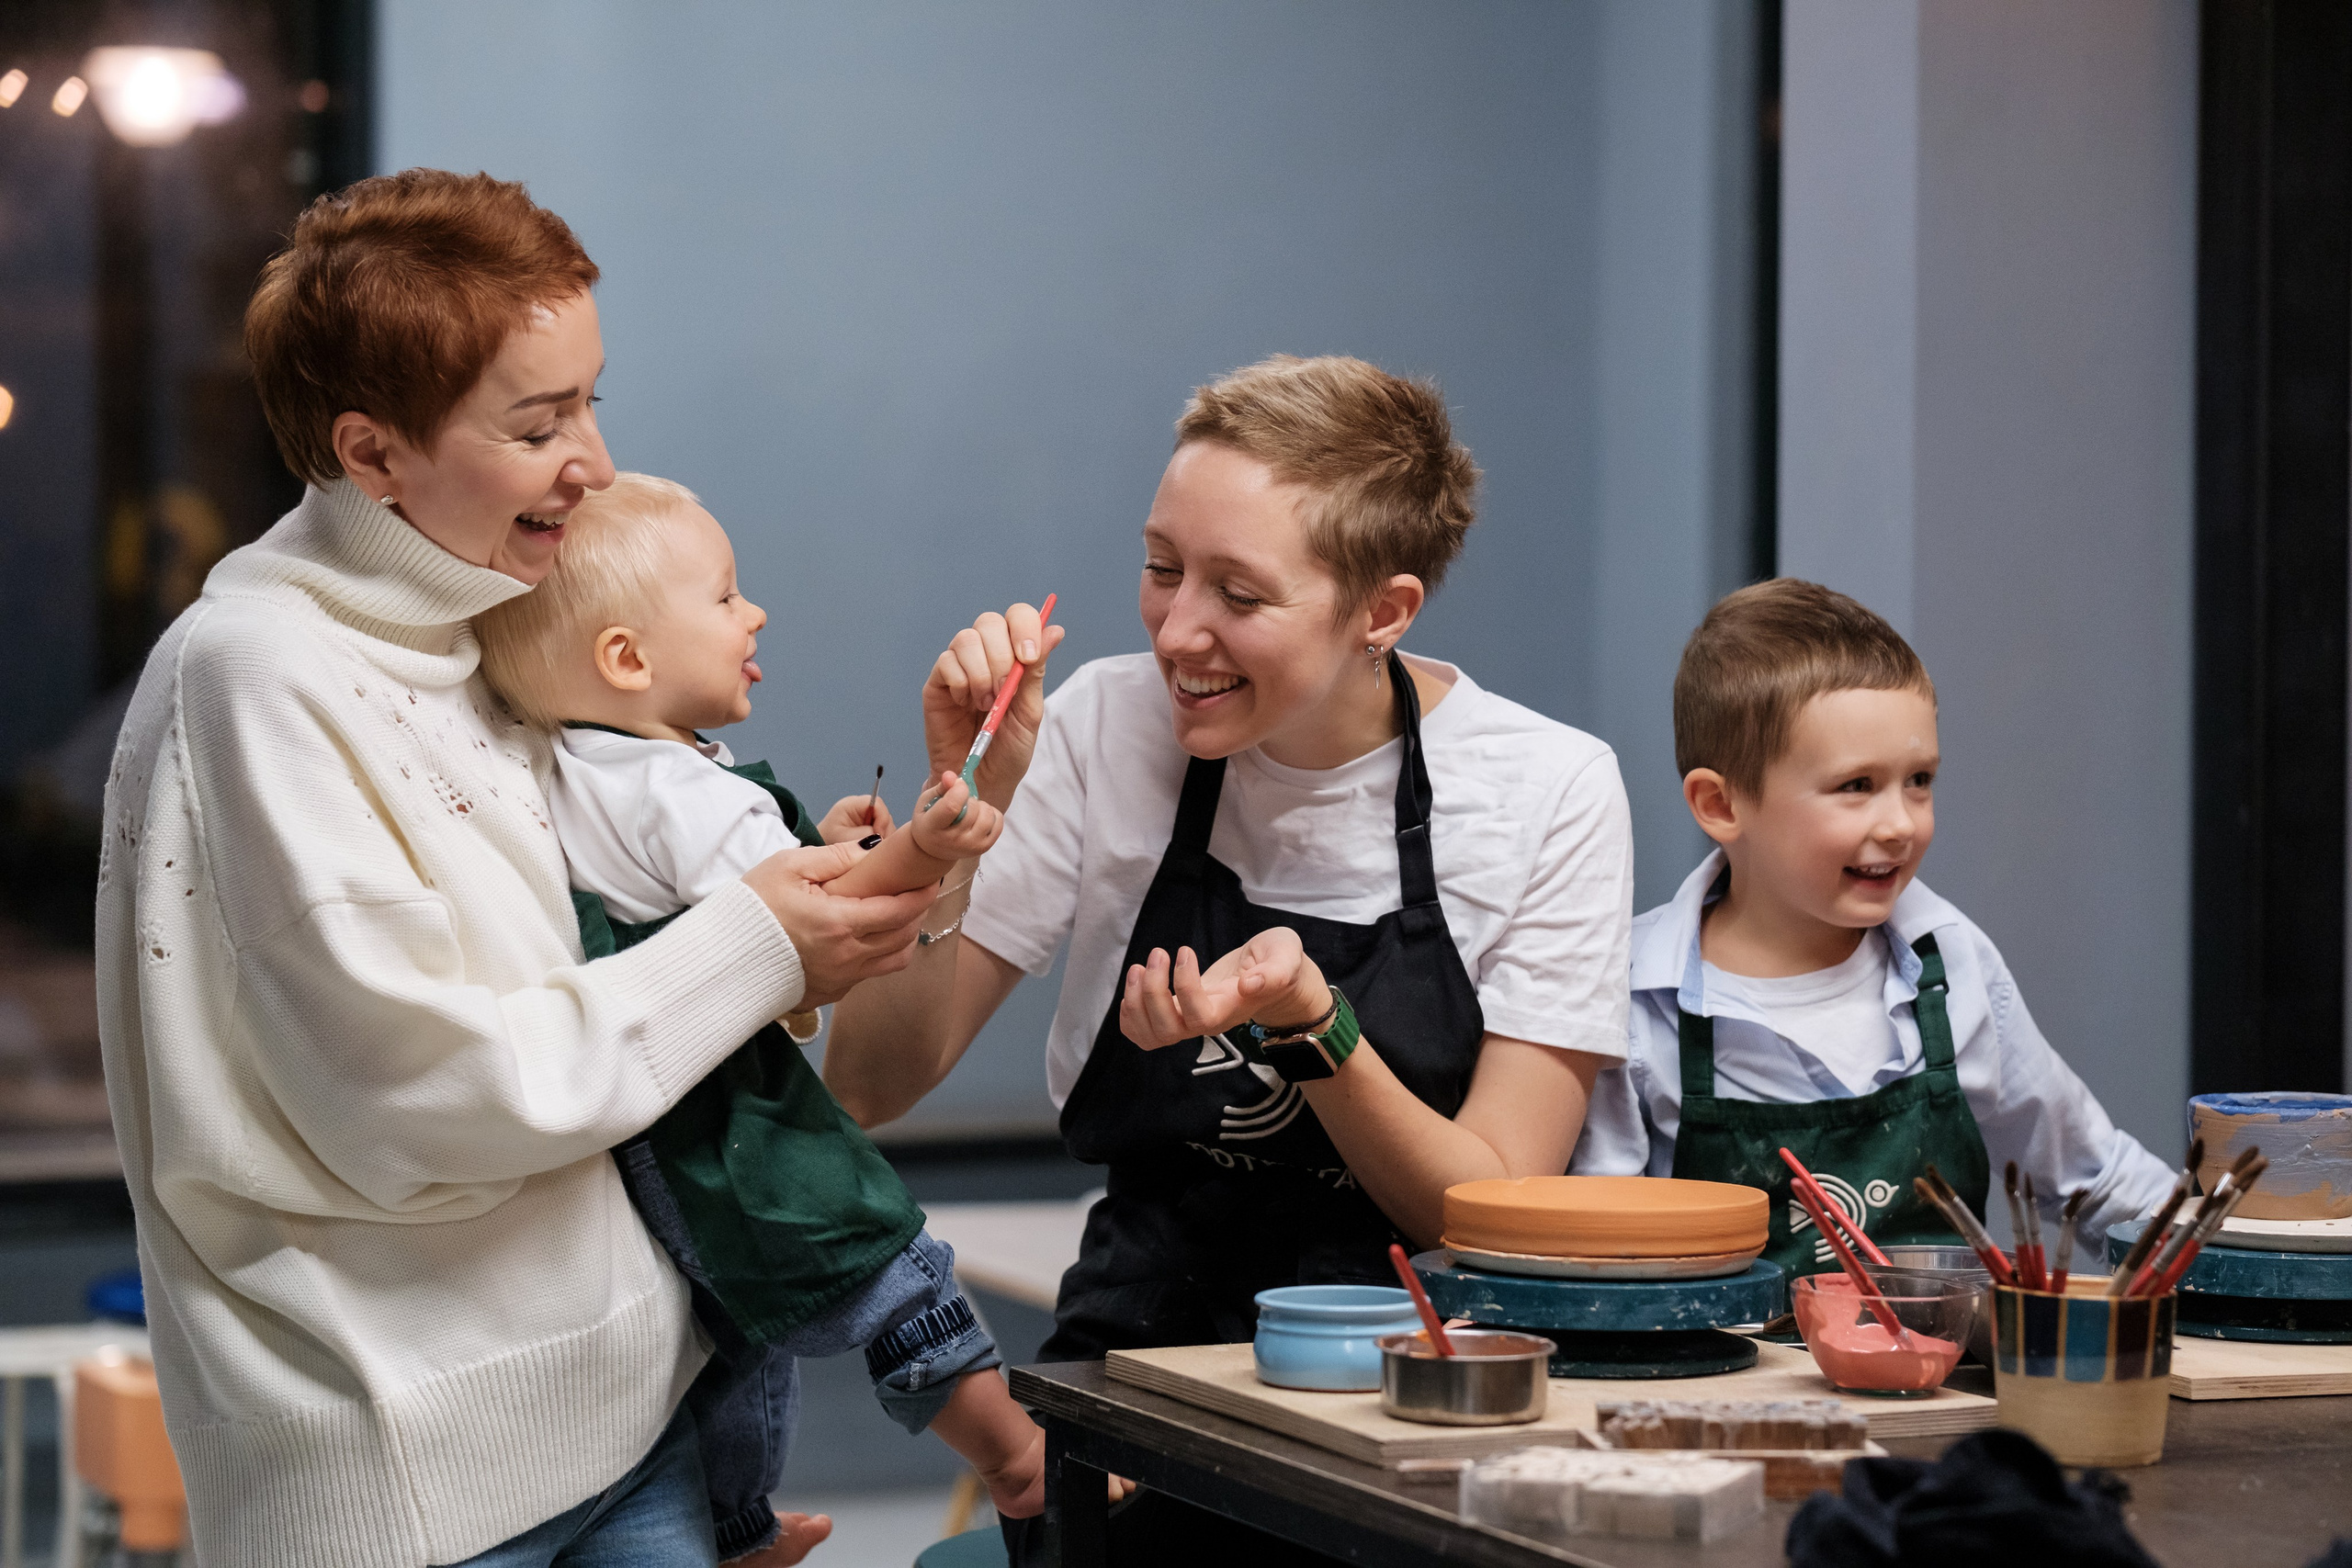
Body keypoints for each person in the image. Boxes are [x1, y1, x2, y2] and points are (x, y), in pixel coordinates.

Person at [95, 170, 943, 1568]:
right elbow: (424, 1097)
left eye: (593, 401)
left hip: (640, 1422)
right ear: (372, 455)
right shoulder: (257, 675)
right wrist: (756, 939)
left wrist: (904, 850)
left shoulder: (484, 630)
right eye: (539, 421)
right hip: (406, 1479)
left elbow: (657, 967)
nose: (594, 463)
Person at [820, 355, 1634, 1560]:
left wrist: (1316, 1032)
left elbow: (1491, 1209)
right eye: (1161, 567)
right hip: (1138, 1371)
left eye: (1239, 593)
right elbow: (871, 1085)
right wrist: (956, 818)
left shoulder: (1546, 788)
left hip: (1420, 1398)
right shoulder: (1099, 726)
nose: (1176, 629)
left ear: (1383, 609)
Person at [471, 472, 1046, 1562]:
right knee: (878, 1258)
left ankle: (734, 1526)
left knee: (732, 1330)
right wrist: (933, 840)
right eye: (727, 598)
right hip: (734, 1120)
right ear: (628, 661)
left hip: (652, 1141)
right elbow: (814, 921)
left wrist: (818, 839)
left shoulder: (585, 768)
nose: (756, 615)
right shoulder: (682, 792)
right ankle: (1014, 1453)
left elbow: (731, 886)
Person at [1571, 579, 2175, 1270]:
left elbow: (2097, 1181)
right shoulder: (1634, 1002)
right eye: (1856, 786)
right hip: (1723, 1378)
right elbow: (1603, 1252)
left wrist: (2254, 1263)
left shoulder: (1952, 965)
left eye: (1920, 780)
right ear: (1720, 804)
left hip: (1945, 1377)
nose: (1900, 823)